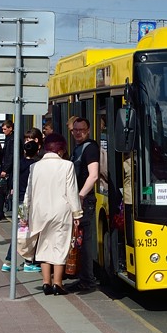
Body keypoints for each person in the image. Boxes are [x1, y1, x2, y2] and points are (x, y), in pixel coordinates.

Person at [22, 133, 81, 295]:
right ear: (61, 150)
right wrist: (77, 214)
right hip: (61, 212)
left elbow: (28, 194)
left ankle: (46, 282)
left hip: (39, 213)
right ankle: (58, 283)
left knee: (44, 246)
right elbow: (72, 192)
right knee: (60, 247)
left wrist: (23, 215)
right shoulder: (67, 166)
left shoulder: (35, 167)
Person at [66, 117, 100, 293]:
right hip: (79, 200)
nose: (78, 133)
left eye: (81, 129)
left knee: (85, 241)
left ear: (88, 130)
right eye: (75, 130)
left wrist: (80, 196)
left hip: (84, 201)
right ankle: (83, 277)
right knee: (79, 240)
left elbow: (93, 175)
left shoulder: (90, 148)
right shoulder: (78, 148)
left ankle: (88, 280)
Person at [2, 127, 43, 272]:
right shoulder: (36, 165)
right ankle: (26, 262)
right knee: (27, 232)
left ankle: (9, 261)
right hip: (28, 202)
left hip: (18, 200)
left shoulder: (18, 163)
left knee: (21, 230)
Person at [0, 120, 14, 222]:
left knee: (2, 193)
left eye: (5, 129)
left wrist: (5, 170)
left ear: (11, 128)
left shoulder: (12, 140)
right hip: (7, 169)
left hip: (8, 171)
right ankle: (0, 213)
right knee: (1, 193)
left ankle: (0, 214)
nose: (3, 131)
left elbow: (10, 156)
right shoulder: (9, 138)